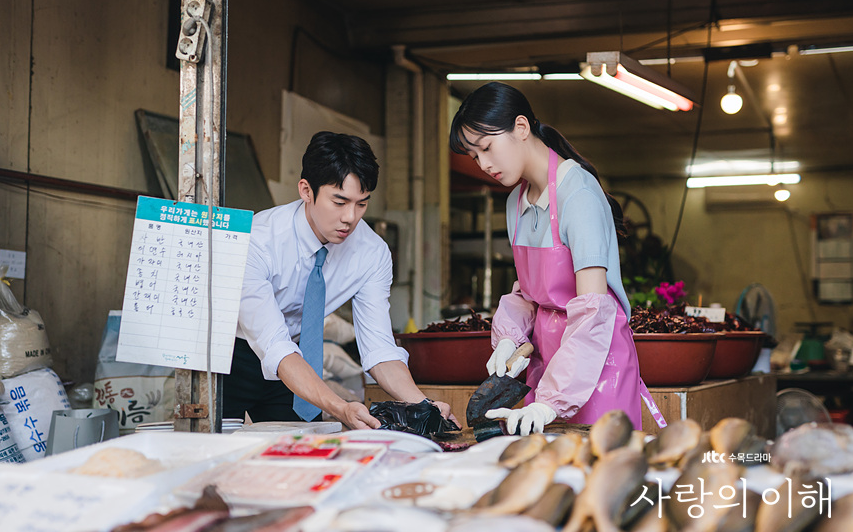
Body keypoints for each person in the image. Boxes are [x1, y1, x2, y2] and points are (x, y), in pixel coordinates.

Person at [449, 82, 666, 436]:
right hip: (548, 366)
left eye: (487, 148)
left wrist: (552, 399)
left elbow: (593, 310)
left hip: (596, 367)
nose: (484, 164)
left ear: (521, 128)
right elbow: (528, 294)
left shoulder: (577, 194)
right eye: (475, 157)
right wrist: (509, 335)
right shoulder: (514, 202)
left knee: (600, 476)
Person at [225, 131, 456, 429]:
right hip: (229, 358)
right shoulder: (257, 241)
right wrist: (340, 407)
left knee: (297, 457)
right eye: (340, 201)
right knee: (213, 454)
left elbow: (379, 349)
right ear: (306, 190)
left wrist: (423, 405)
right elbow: (273, 344)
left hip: (296, 362)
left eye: (362, 204)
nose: (351, 217)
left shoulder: (371, 253)